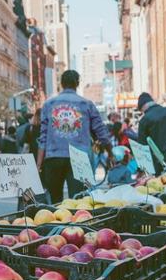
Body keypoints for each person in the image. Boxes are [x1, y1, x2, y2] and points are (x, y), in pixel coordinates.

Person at [37, 70, 112, 204]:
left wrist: (38, 165)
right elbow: (102, 133)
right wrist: (110, 153)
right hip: (80, 158)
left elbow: (43, 137)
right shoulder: (86, 104)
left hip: (53, 157)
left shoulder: (48, 104)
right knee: (79, 201)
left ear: (61, 84)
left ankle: (56, 224)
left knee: (55, 202)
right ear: (77, 83)